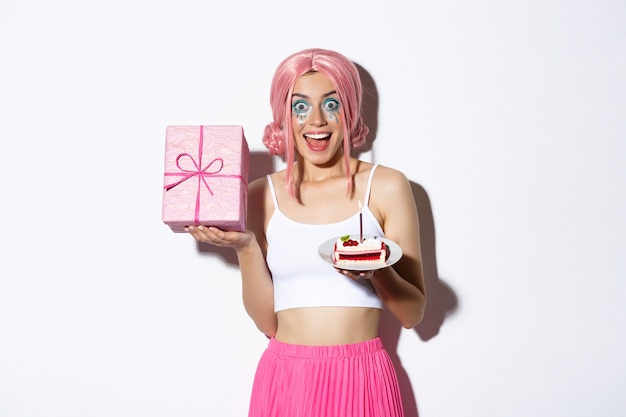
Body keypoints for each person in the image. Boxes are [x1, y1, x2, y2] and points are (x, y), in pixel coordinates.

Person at [185, 48, 426, 417]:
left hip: (362, 376)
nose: (316, 121)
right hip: (285, 377)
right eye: (300, 107)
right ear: (283, 115)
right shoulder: (259, 194)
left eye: (332, 105)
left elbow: (413, 314)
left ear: (350, 111)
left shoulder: (387, 186)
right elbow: (268, 323)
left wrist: (376, 271)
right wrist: (246, 248)